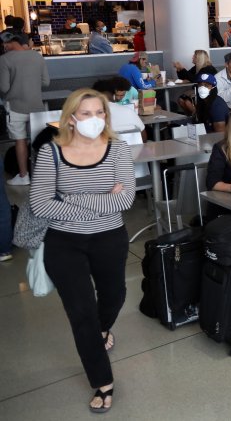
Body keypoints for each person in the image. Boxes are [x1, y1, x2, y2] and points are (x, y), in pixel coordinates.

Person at [29, 89, 136, 413]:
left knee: (114, 295)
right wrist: (102, 199)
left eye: (100, 113)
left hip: (109, 238)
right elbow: (39, 204)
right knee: (81, 314)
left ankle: (102, 329)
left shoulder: (117, 149)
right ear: (71, 118)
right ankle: (102, 380)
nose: (94, 120)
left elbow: (125, 199)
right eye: (86, 114)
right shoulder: (52, 152)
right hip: (64, 244)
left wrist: (69, 200)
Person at [1, 31, 49, 185]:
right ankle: (42, 175)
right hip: (37, 106)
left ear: (9, 43)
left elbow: (4, 87)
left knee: (20, 140)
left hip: (15, 107)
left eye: (4, 44)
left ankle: (24, 176)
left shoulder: (4, 59)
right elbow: (46, 82)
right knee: (38, 140)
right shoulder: (37, 56)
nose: (4, 47)